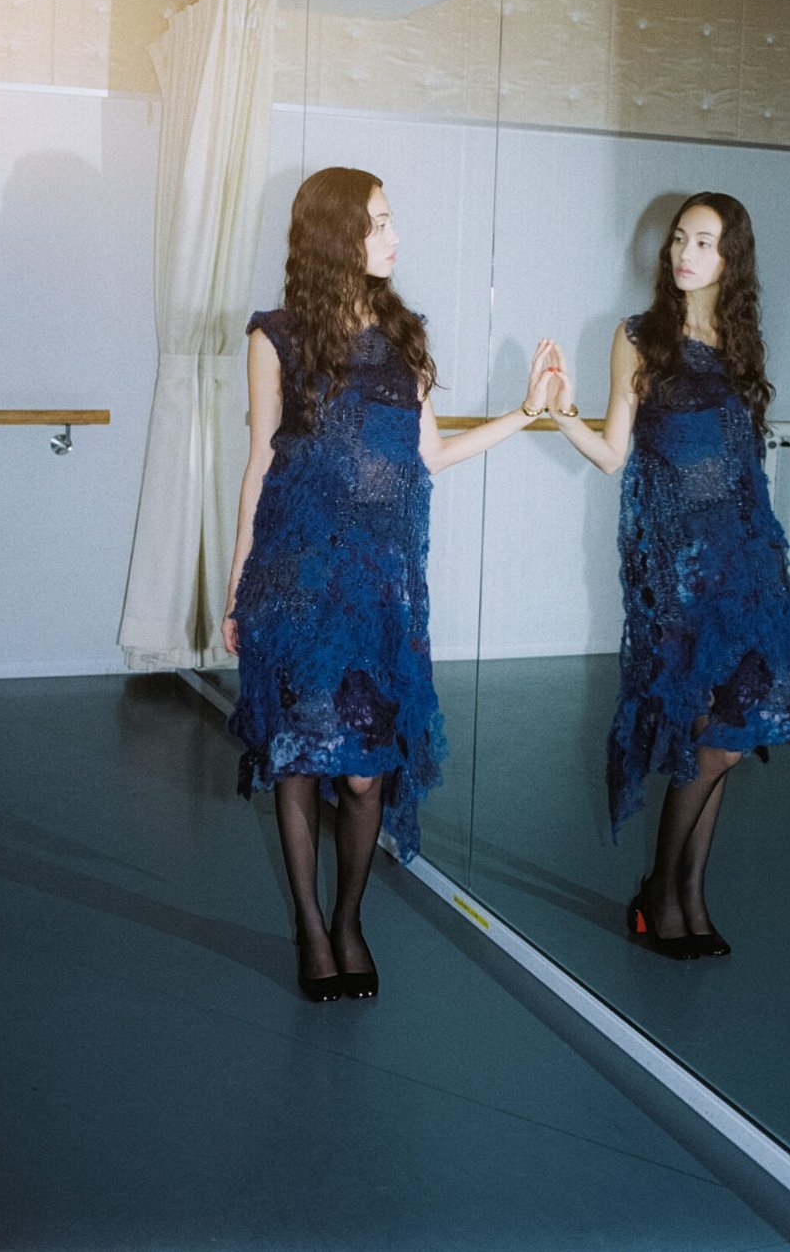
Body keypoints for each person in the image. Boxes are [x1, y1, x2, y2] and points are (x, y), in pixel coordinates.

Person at [221, 166, 554, 1002]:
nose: (394, 237)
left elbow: (428, 454)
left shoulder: (403, 336)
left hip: (375, 590)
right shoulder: (276, 336)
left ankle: (349, 917)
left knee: (365, 769)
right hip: (295, 580)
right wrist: (236, 589)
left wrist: (524, 413)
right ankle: (311, 927)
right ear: (336, 235)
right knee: (300, 757)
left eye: (390, 219)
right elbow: (259, 465)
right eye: (377, 222)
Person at [544, 192, 790, 960]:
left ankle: (691, 895)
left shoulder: (739, 342)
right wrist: (561, 414)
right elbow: (613, 453)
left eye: (703, 242)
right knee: (710, 738)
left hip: (742, 563)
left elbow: (741, 467)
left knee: (727, 732)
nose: (684, 253)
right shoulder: (640, 337)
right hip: (675, 570)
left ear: (731, 259)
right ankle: (658, 893)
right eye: (679, 239)